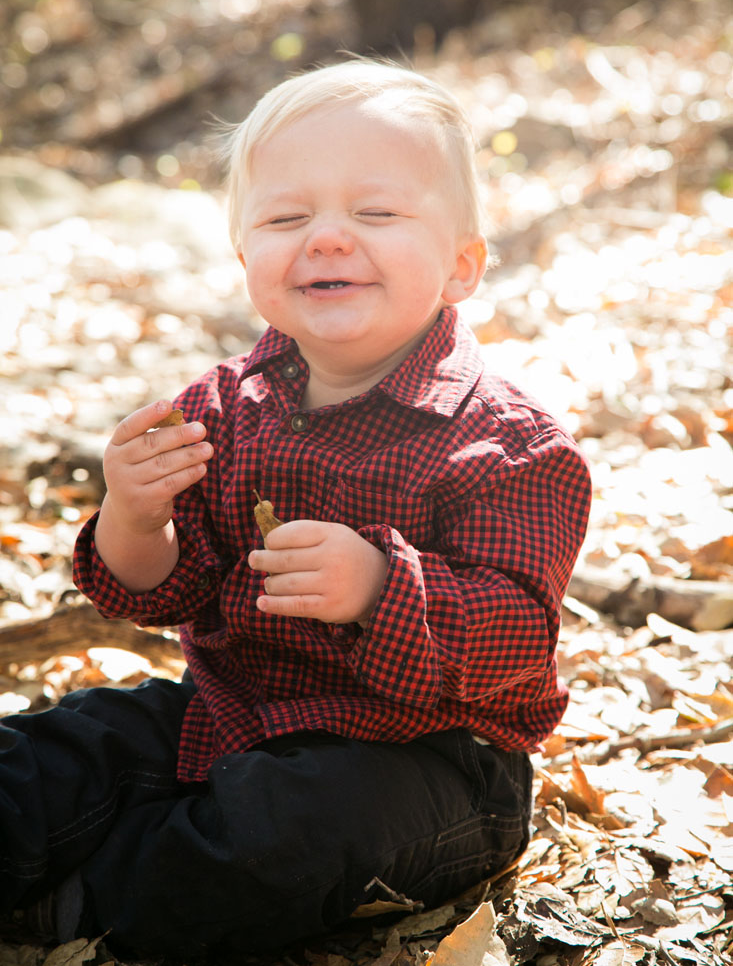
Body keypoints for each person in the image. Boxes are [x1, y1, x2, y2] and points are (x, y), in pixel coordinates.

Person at [0, 59, 591, 959]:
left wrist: (377, 587)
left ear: (461, 266)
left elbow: (514, 642)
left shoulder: (510, 446)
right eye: (285, 218)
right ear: (246, 261)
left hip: (430, 761)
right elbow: (166, 591)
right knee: (61, 747)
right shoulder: (219, 410)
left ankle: (84, 903)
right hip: (231, 711)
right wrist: (134, 517)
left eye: (376, 213)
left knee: (285, 827)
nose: (324, 238)